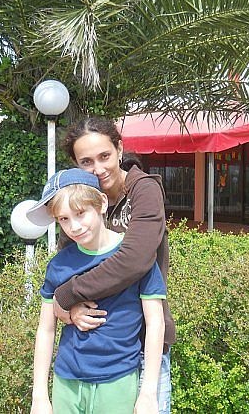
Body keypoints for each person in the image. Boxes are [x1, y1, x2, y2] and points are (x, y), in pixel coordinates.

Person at [52, 117, 176, 414]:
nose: (98, 168)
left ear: (119, 149)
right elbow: (67, 265)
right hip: (90, 349)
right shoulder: (78, 202)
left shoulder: (143, 190)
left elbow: (135, 259)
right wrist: (68, 309)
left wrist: (68, 294)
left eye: (104, 156)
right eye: (86, 162)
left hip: (144, 341)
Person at [28, 168, 166, 414]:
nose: (74, 226)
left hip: (118, 381)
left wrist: (148, 392)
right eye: (64, 219)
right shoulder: (60, 264)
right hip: (66, 382)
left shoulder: (137, 260)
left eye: (81, 213)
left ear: (101, 203)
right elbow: (46, 328)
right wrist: (39, 396)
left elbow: (155, 323)